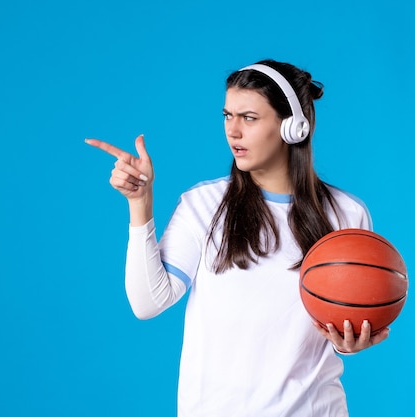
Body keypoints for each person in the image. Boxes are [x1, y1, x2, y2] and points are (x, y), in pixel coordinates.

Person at [84, 59, 390, 416]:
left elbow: (344, 322)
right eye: (228, 116)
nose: (233, 131)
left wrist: (350, 341)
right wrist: (140, 205)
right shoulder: (203, 204)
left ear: (294, 127)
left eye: (249, 118)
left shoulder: (346, 214)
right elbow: (148, 302)